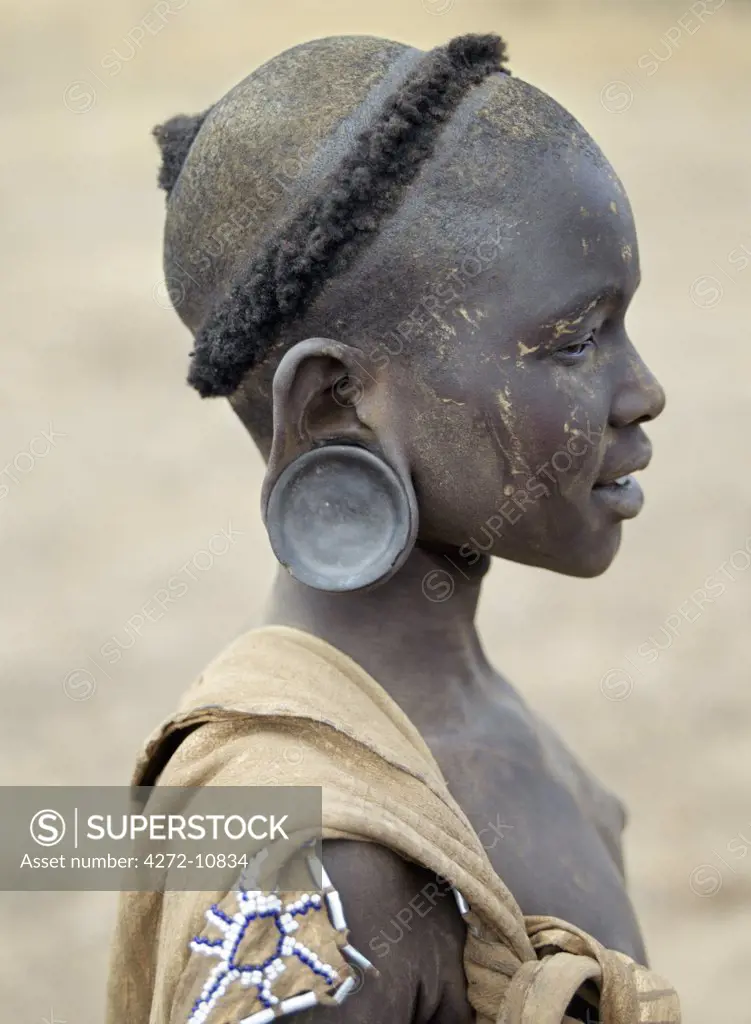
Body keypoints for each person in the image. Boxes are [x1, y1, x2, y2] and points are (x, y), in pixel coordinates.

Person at [106, 33, 681, 1024]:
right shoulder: (324, 866)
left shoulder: (467, 717)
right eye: (575, 340)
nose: (644, 392)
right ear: (334, 403)